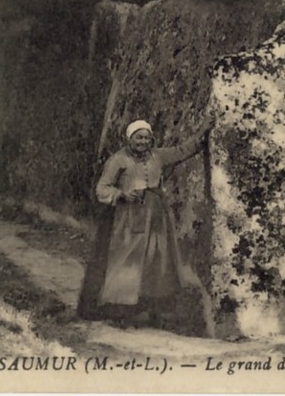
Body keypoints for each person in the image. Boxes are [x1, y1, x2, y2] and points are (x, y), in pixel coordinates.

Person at [77, 117, 212, 330]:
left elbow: (182, 151)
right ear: (130, 138)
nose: (143, 142)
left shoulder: (157, 155)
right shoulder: (118, 160)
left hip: (157, 217)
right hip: (129, 219)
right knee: (127, 261)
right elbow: (102, 188)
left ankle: (149, 308)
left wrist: (203, 130)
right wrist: (121, 194)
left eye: (146, 138)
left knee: (155, 261)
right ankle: (120, 310)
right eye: (138, 138)